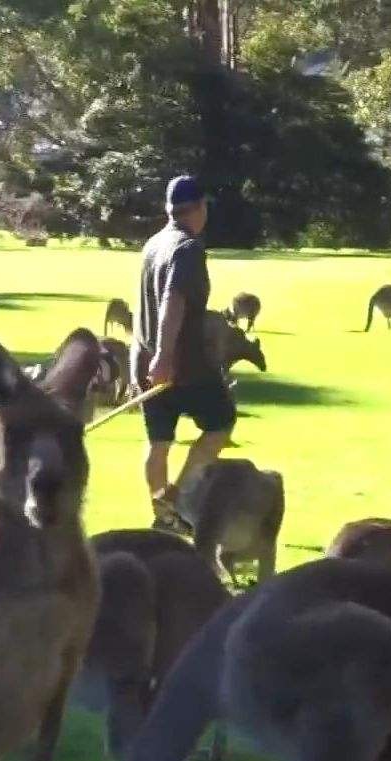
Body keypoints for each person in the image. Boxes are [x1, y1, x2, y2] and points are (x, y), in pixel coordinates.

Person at [133, 174, 232, 528]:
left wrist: (150, 358)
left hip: (143, 359)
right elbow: (172, 301)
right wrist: (164, 354)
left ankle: (164, 517)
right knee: (220, 423)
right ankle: (174, 501)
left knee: (159, 439)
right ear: (200, 208)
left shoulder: (154, 243)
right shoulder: (188, 248)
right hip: (182, 363)